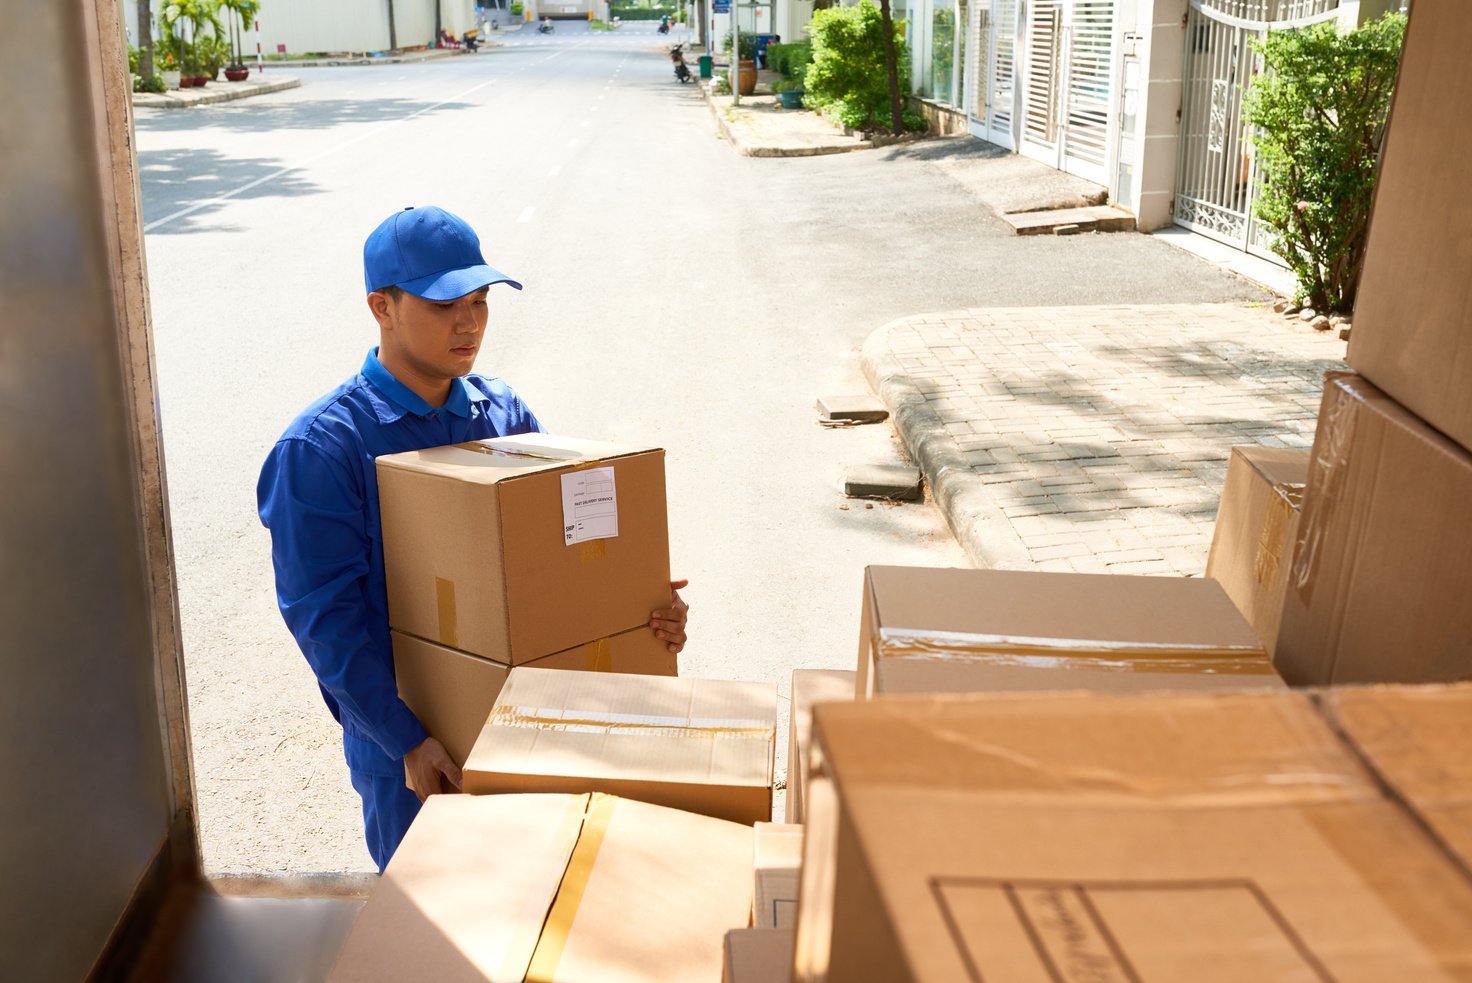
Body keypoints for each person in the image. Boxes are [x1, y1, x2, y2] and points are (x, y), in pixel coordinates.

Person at [257, 205, 690, 871]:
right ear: (383, 306)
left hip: (533, 728)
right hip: (418, 756)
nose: (470, 322)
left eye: (481, 301)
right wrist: (407, 741)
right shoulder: (324, 447)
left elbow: (558, 562)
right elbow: (326, 620)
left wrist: (637, 609)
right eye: (444, 303)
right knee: (437, 935)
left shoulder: (505, 415)